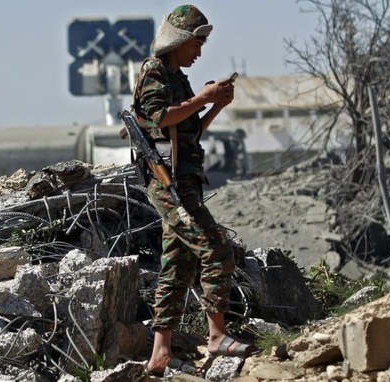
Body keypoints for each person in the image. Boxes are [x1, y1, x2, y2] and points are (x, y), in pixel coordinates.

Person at [130, 4, 261, 377]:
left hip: (185, 183)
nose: (199, 52)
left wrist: (214, 105)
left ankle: (160, 354)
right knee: (216, 248)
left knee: (178, 264)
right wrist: (204, 98)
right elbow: (160, 117)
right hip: (168, 184)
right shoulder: (154, 70)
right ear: (179, 41)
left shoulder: (177, 77)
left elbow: (187, 131)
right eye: (195, 44)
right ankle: (217, 335)